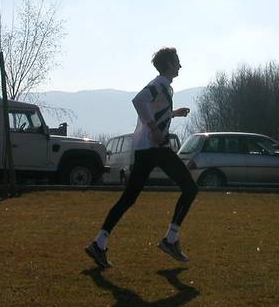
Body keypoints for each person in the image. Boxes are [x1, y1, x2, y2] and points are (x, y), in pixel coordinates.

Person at [85, 47, 199, 268]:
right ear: (168, 64)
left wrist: (174, 114)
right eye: (177, 61)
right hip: (154, 148)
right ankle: (170, 239)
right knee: (190, 188)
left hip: (147, 149)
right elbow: (138, 101)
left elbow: (153, 109)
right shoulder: (159, 84)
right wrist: (154, 129)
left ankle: (99, 243)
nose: (180, 65)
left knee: (129, 197)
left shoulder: (164, 86)